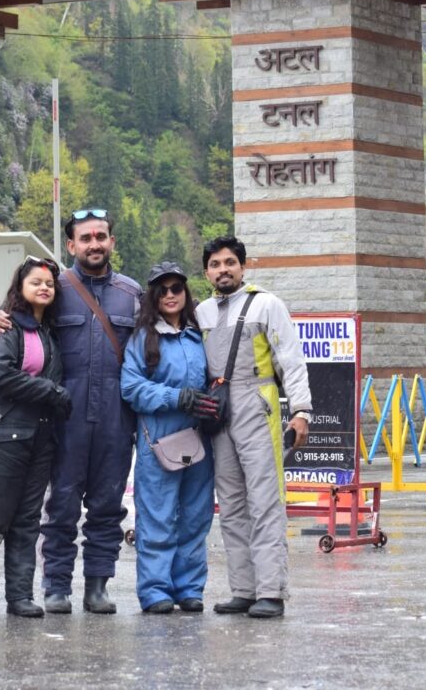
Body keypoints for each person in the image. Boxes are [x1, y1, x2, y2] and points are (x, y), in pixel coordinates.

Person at [0, 209, 141, 614]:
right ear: (71, 245)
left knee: (107, 506)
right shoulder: (59, 288)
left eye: (101, 236)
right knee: (62, 507)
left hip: (115, 421)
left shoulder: (132, 293)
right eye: (85, 238)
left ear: (111, 242)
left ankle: (98, 586)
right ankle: (56, 586)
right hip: (63, 420)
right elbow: (15, 315)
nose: (94, 244)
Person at [196, 235, 312, 619]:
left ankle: (271, 591)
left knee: (265, 500)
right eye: (215, 264)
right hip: (219, 409)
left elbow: (290, 360)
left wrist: (301, 411)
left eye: (230, 262)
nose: (223, 270)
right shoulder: (202, 313)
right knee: (229, 504)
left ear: (243, 267)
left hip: (257, 405)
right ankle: (243, 590)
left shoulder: (267, 304)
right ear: (207, 272)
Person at [0, 257, 71, 618]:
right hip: (5, 434)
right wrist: (52, 393)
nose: (44, 287)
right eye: (35, 282)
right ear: (19, 288)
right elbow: (1, 377)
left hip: (40, 438)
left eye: (49, 284)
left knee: (27, 520)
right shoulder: (2, 325)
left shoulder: (48, 332)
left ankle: (20, 597)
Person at [121, 262, 216, 614]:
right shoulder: (142, 338)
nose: (170, 294)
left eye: (177, 288)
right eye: (162, 289)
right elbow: (131, 387)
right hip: (157, 441)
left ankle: (189, 588)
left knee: (195, 517)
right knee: (157, 519)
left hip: (199, 438)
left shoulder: (198, 335)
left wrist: (213, 401)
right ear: (152, 296)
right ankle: (156, 591)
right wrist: (175, 397)